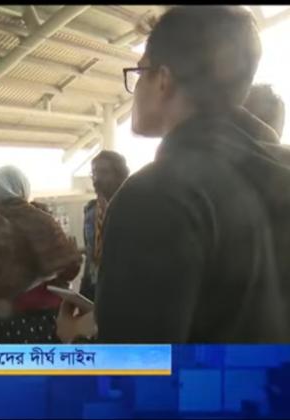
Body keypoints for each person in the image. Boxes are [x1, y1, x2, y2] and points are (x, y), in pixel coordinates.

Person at [59, 6, 290, 343]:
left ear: (163, 80)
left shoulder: (154, 197)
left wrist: (76, 339)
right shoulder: (279, 171)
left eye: (140, 72)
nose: (136, 86)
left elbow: (138, 368)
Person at [0, 166, 81, 343]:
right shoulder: (43, 221)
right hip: (44, 321)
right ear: (22, 188)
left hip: (0, 323)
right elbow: (68, 267)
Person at [79, 151, 129, 301]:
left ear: (120, 175)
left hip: (122, 288)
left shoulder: (132, 209)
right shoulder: (90, 211)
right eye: (94, 173)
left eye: (103, 172)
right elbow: (91, 250)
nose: (96, 179)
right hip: (92, 287)